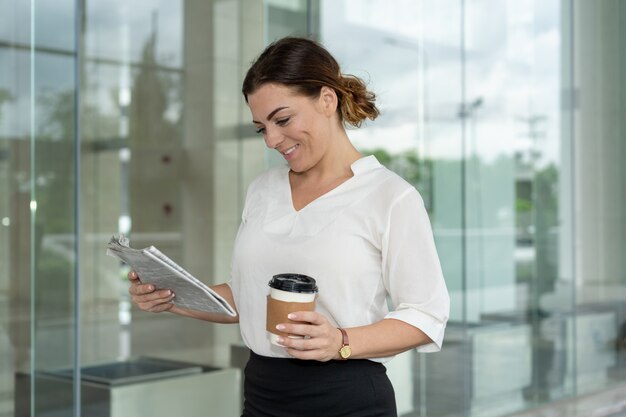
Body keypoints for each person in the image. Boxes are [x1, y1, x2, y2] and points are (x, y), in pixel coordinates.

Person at [128, 36, 450, 417]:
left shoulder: (391, 196)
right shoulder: (263, 190)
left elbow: (425, 316)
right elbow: (247, 297)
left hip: (348, 399)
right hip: (263, 397)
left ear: (327, 100)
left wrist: (340, 341)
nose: (272, 139)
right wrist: (172, 295)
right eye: (261, 128)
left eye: (282, 120)